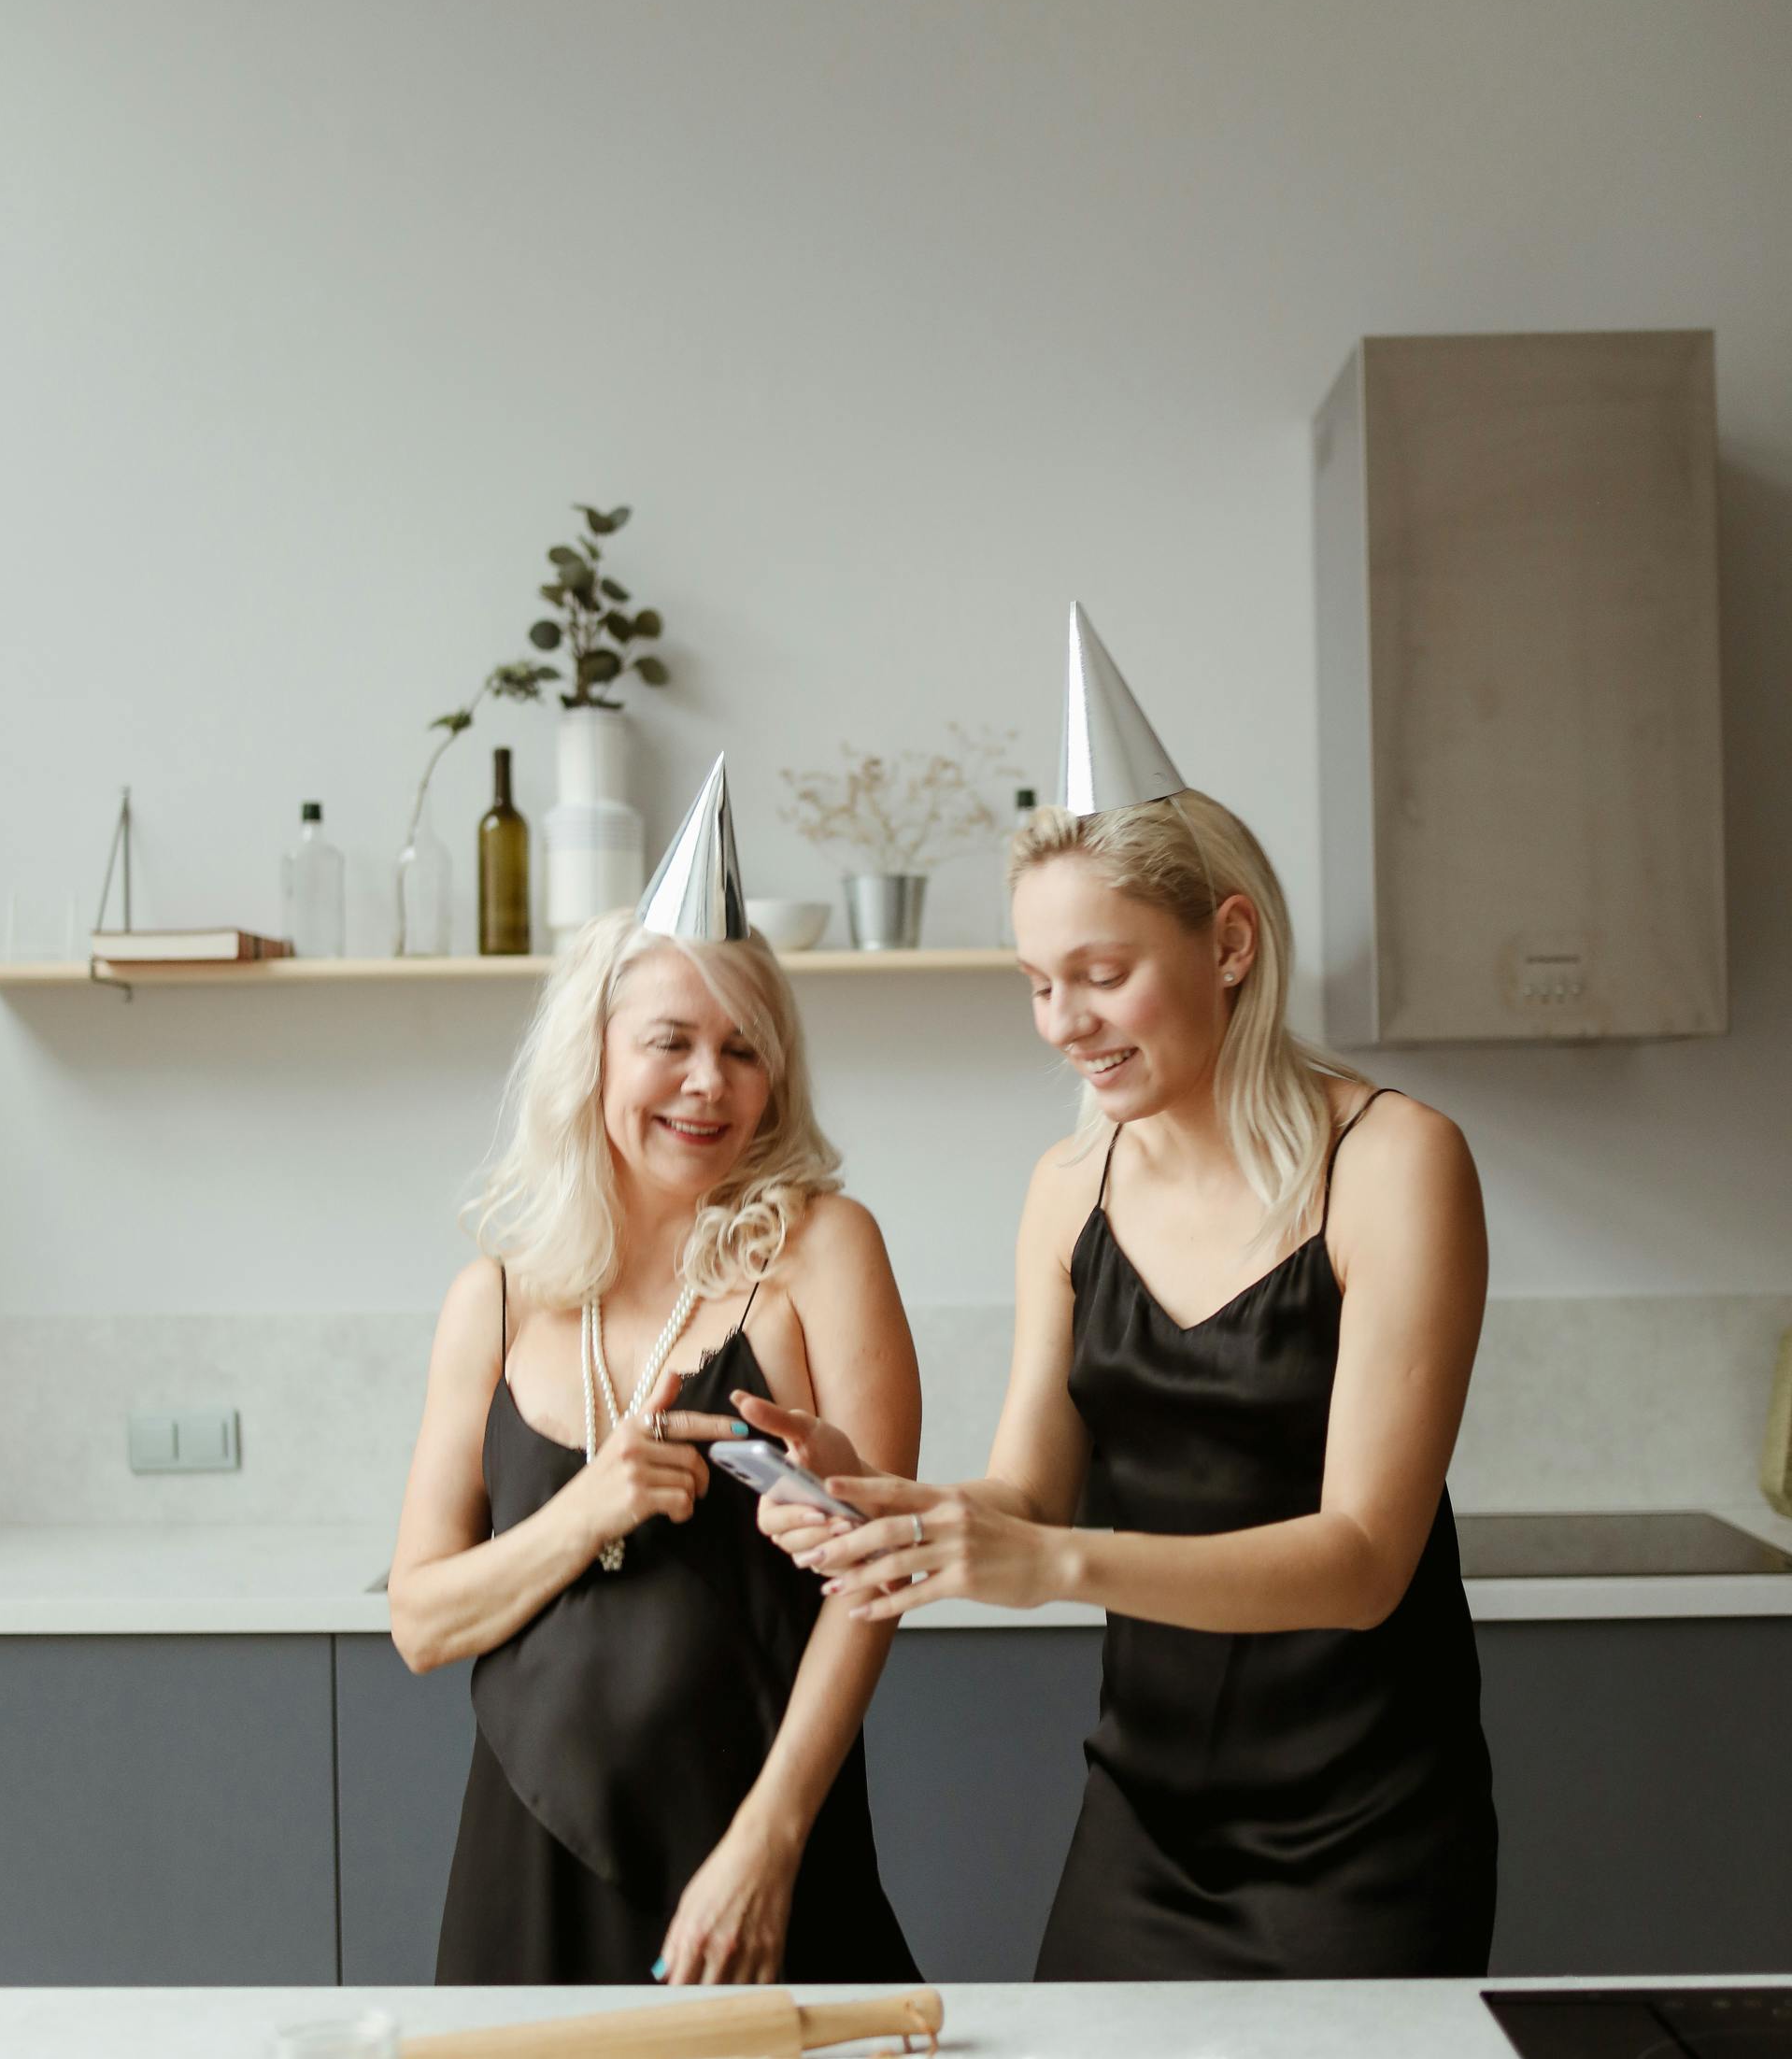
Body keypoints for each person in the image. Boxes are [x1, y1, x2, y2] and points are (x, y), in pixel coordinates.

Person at [749, 612, 1497, 1981]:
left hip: (1368, 1829)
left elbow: (1363, 1560)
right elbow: (1032, 1492)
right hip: (1142, 1812)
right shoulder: (1067, 1187)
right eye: (1040, 984)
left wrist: (1050, 1567)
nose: (1065, 1022)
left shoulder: (1394, 1165)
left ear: (1228, 940)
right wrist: (907, 1506)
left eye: (1102, 975)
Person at [389, 759, 920, 1988]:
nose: (707, 1083)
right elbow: (423, 1620)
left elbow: (872, 1574)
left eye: (743, 1050)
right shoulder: (498, 1300)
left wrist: (769, 1844)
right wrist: (592, 1506)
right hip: (526, 1858)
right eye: (670, 1043)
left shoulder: (819, 1252)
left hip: (756, 1852)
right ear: (594, 1058)